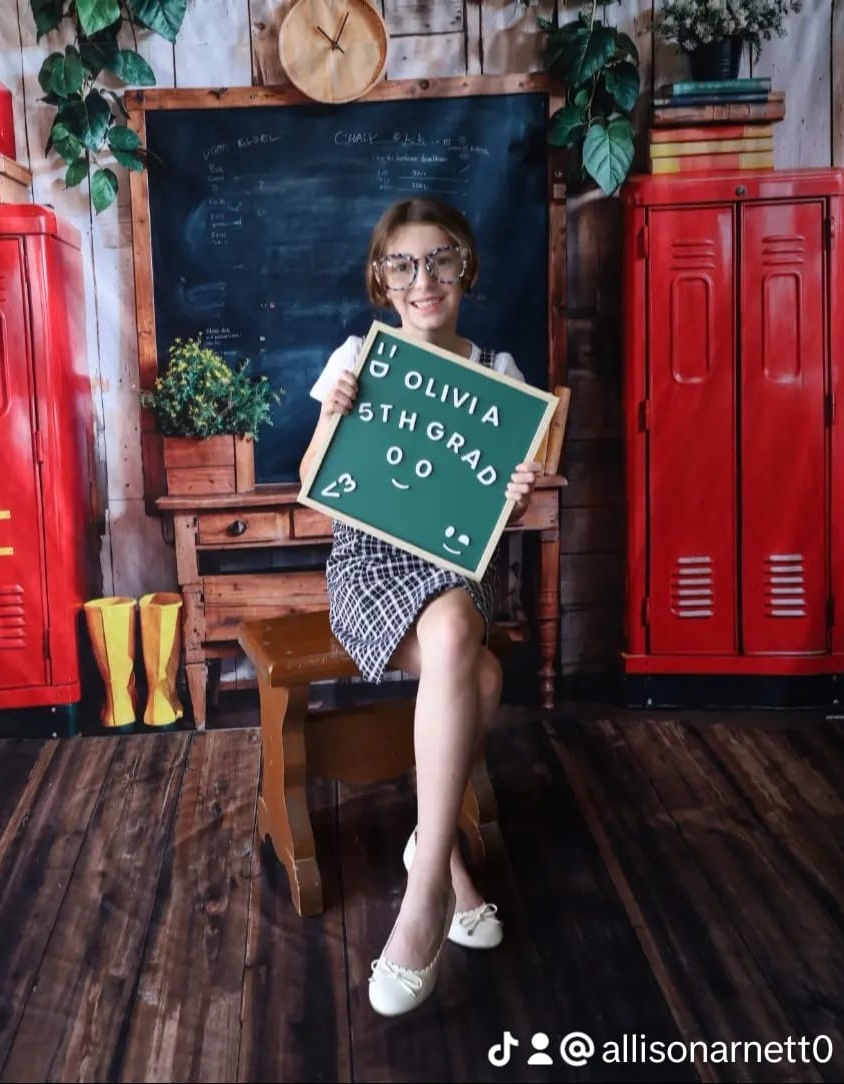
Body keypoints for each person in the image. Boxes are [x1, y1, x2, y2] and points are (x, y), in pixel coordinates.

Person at [299, 196, 541, 1017]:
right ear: (381, 278)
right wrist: (333, 415)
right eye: (403, 263)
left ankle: (424, 881)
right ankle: (441, 872)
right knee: (476, 672)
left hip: (452, 570)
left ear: (465, 267)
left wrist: (517, 489)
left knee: (459, 629)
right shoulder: (357, 358)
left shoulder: (500, 375)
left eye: (439, 259)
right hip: (367, 565)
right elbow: (316, 491)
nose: (422, 278)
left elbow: (500, 516)